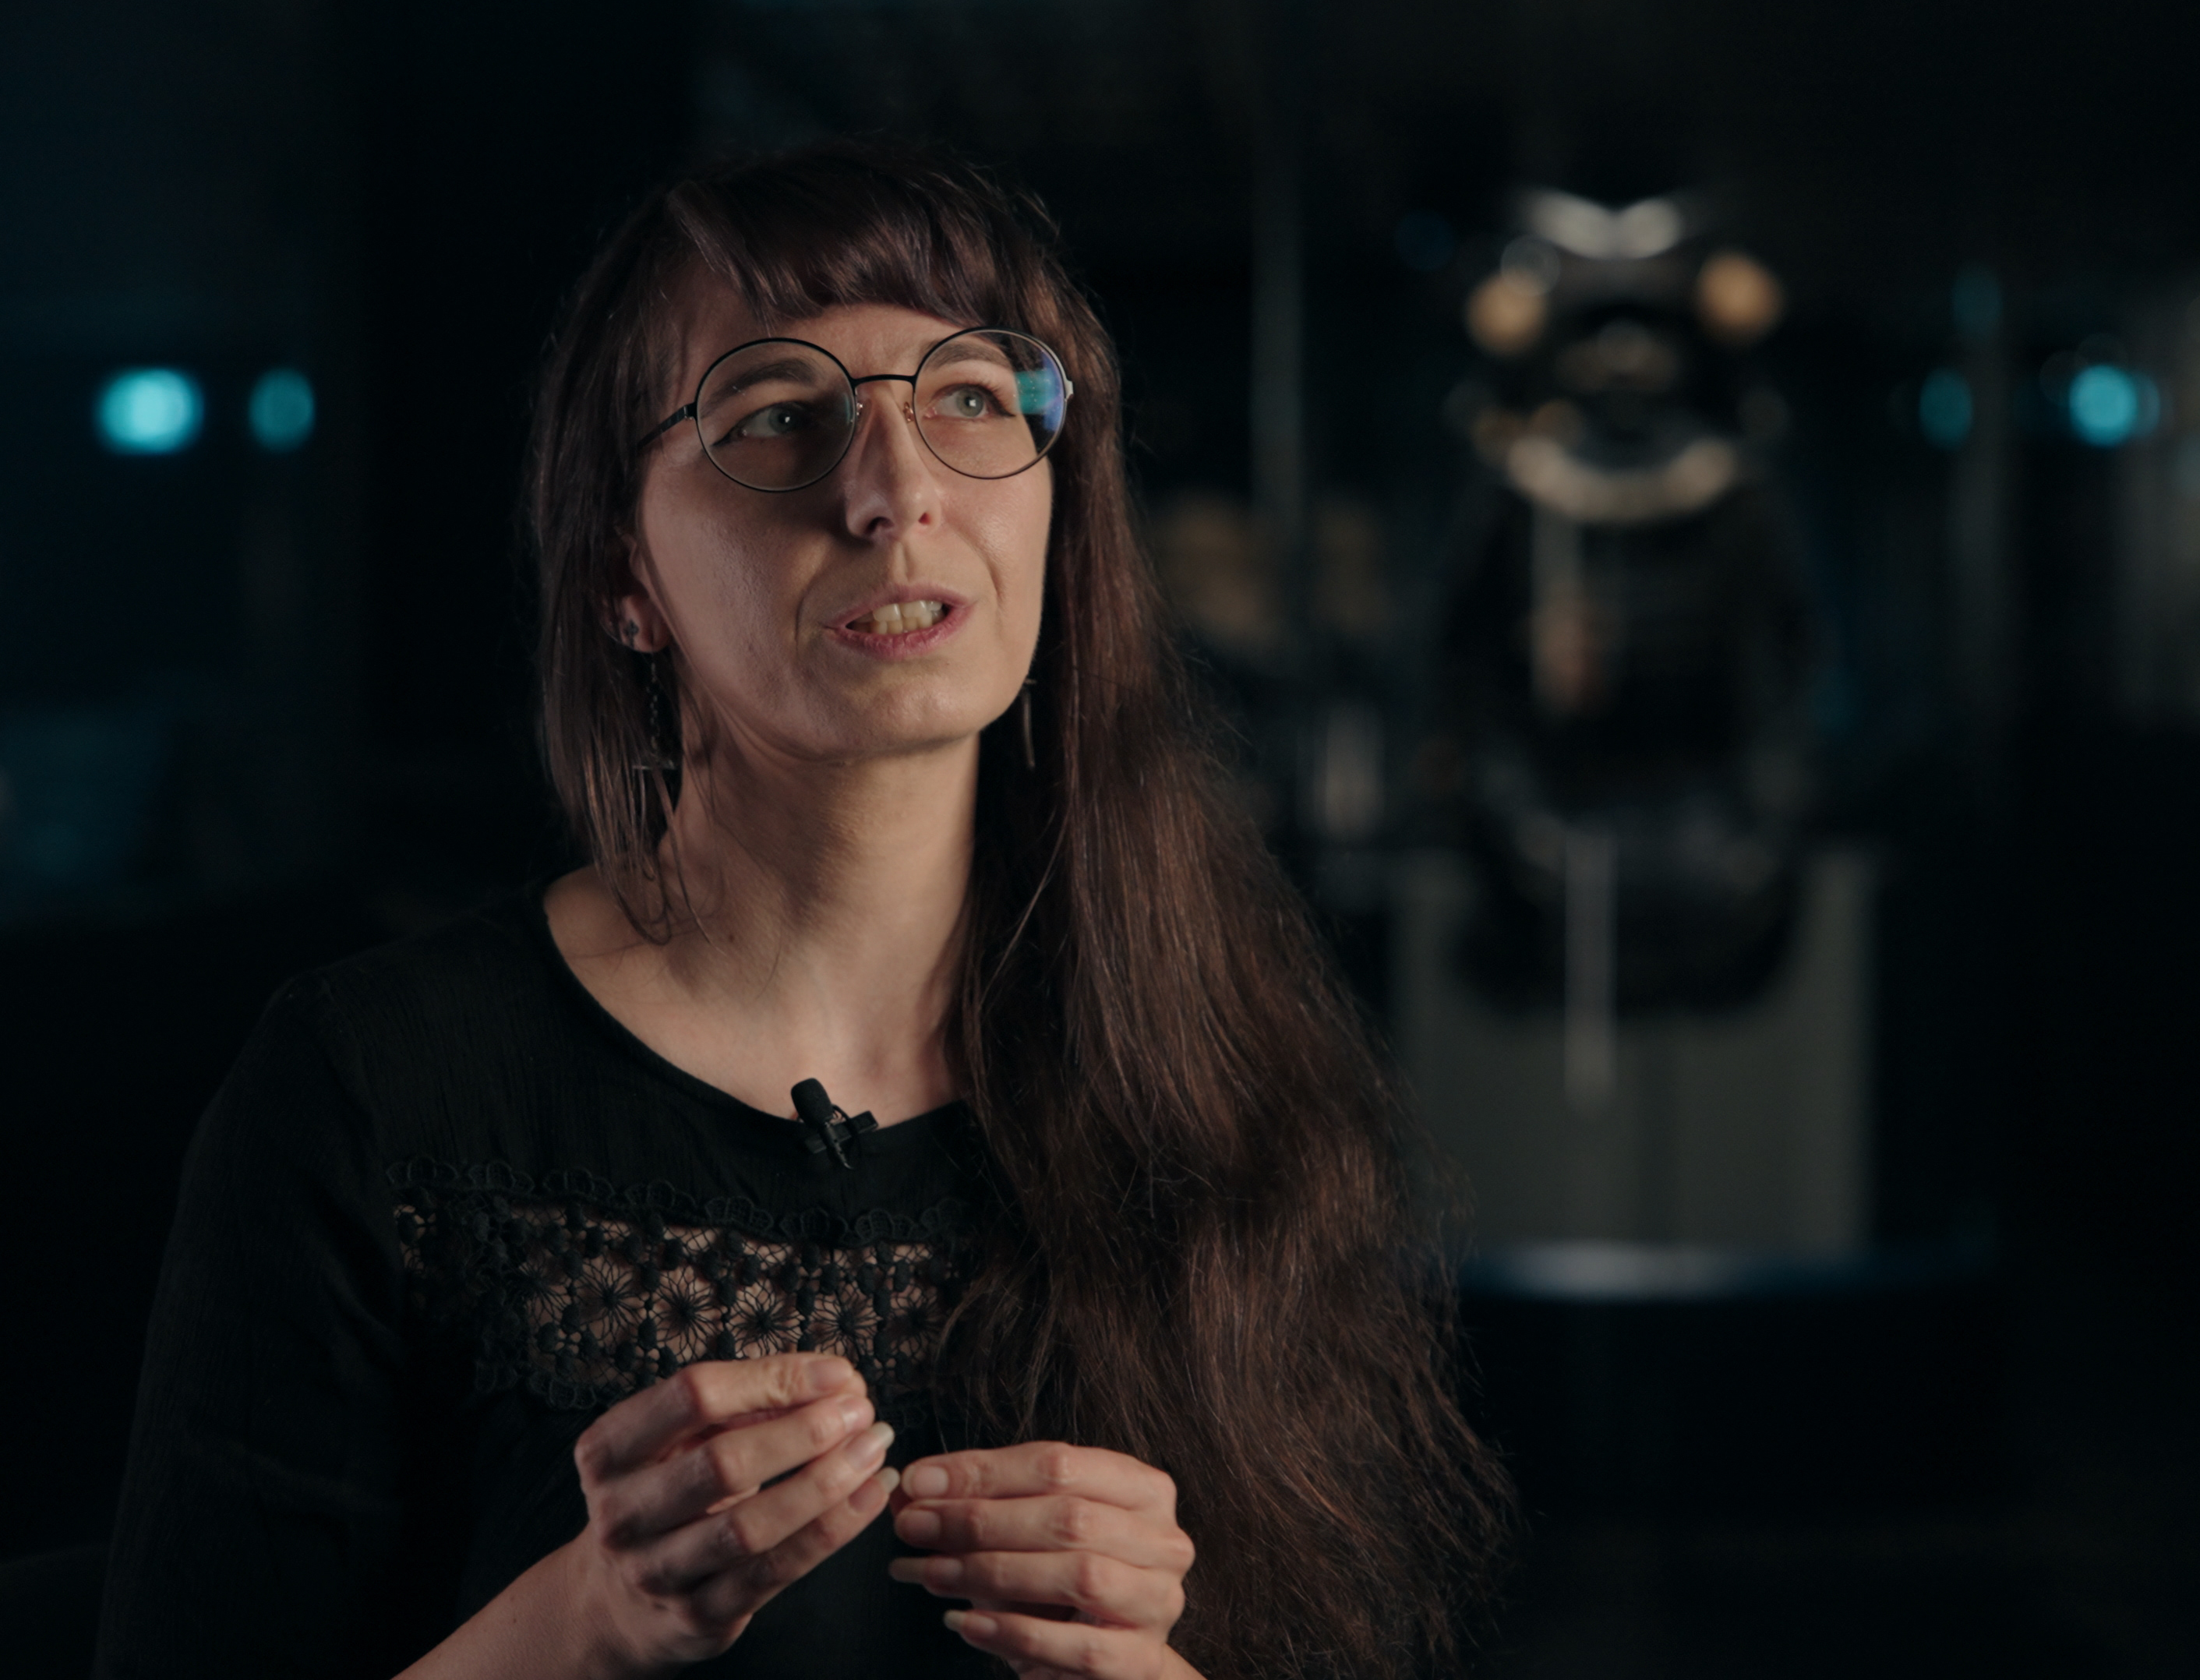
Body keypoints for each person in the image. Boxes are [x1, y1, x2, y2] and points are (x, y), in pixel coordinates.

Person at [94, 140, 1506, 1680]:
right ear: (624, 574)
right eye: (779, 417)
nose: (897, 493)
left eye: (971, 399)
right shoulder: (372, 1089)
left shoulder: (1223, 1079)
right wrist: (588, 1624)